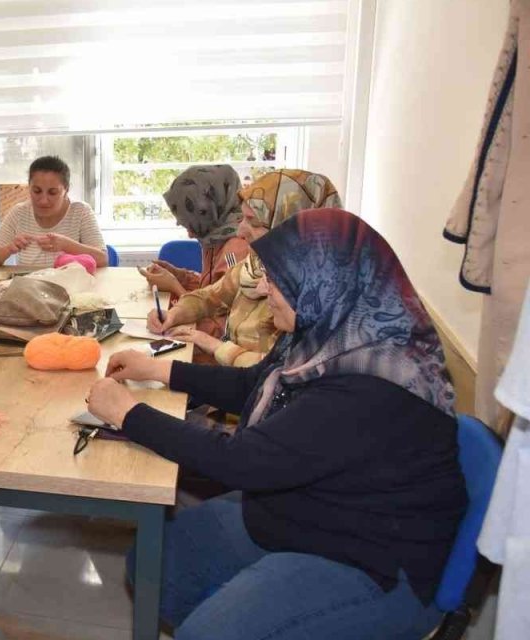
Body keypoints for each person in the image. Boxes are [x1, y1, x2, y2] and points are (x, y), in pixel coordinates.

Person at [87, 209, 466, 639]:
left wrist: (128, 413)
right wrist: (161, 371)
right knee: (154, 564)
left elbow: (242, 461)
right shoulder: (327, 333)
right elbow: (253, 382)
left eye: (277, 280)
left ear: (322, 284)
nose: (265, 289)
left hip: (369, 561)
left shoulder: (373, 384)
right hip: (309, 514)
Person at [146, 170, 343, 366]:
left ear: (292, 229)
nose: (240, 231)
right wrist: (174, 314)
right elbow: (209, 296)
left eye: (254, 222)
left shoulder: (310, 296)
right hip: (229, 377)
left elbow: (273, 368)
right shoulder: (255, 264)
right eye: (243, 218)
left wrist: (211, 344)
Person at [140, 164, 252, 339]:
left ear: (209, 210)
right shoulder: (215, 236)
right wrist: (181, 276)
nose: (189, 233)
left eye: (191, 223)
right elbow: (213, 288)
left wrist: (175, 287)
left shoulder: (235, 250)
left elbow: (223, 326)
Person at [0, 155, 107, 268]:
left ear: (66, 190)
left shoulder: (81, 212)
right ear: (29, 187)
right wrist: (9, 249)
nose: (43, 201)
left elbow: (103, 259)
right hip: (29, 288)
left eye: (52, 192)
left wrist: (67, 245)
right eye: (36, 191)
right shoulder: (19, 212)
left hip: (70, 288)